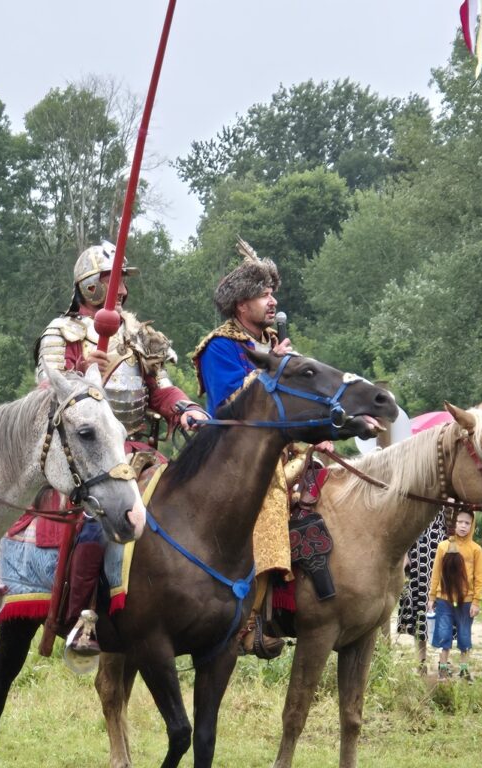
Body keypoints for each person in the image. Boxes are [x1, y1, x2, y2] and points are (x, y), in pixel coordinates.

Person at [35, 241, 207, 655]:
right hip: (87, 453)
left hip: (137, 448)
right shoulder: (63, 333)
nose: (123, 292)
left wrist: (185, 409)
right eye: (112, 282)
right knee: (94, 523)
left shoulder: (137, 335)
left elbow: (160, 389)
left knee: (188, 499)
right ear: (89, 286)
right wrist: (80, 368)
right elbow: (47, 394)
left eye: (123, 283)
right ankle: (82, 620)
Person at [191, 237, 294, 658]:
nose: (271, 302)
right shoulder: (219, 346)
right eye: (261, 294)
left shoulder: (270, 340)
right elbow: (231, 401)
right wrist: (273, 369)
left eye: (272, 293)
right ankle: (252, 621)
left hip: (277, 445)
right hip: (232, 452)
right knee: (269, 501)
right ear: (240, 305)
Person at [428, 510, 482, 682]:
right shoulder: (443, 546)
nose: (463, 526)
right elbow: (435, 573)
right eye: (460, 522)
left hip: (466, 602)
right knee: (444, 634)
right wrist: (431, 597)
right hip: (444, 600)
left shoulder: (476, 549)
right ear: (454, 524)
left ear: (471, 526)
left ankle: (464, 670)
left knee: (464, 636)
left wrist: (476, 601)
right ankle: (443, 669)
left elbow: (480, 577)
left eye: (467, 523)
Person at [397, 509, 450, 674]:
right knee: (419, 609)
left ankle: (443, 662)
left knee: (445, 611)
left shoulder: (450, 495)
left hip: (444, 556)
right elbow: (405, 526)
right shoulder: (420, 490)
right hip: (419, 555)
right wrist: (404, 554)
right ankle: (421, 663)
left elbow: (463, 524)